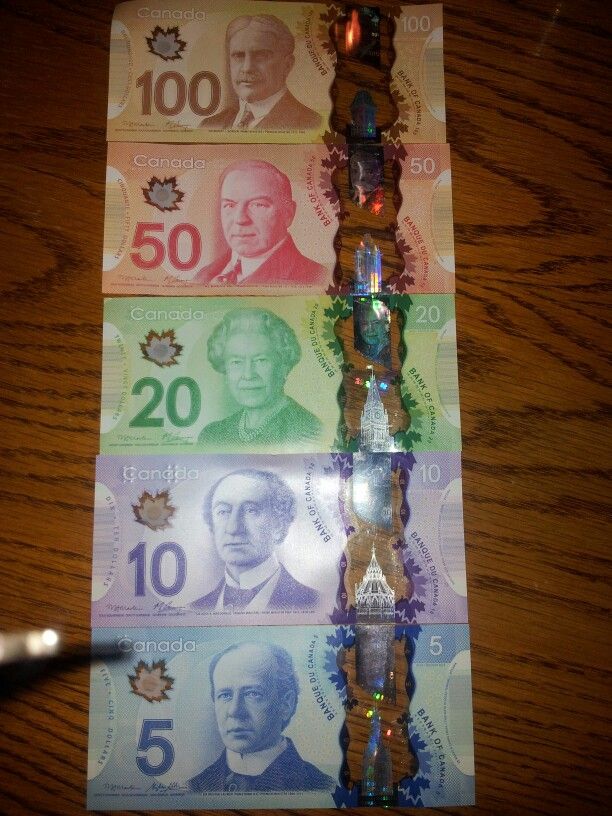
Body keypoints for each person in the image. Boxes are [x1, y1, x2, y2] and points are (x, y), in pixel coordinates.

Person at [188, 642, 336, 792]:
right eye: (225, 695)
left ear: (286, 704)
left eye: (252, 693)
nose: (234, 711)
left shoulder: (322, 788)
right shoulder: (193, 787)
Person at [191, 469, 319, 611]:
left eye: (251, 510)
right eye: (223, 511)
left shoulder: (316, 603)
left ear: (279, 525)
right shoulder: (194, 609)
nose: (233, 528)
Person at [197, 307, 322, 447]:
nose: (248, 375)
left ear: (283, 367)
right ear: (225, 370)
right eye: (236, 362)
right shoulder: (213, 435)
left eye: (261, 360)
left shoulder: (309, 431)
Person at [195, 160, 327, 287]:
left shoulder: (318, 279)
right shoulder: (203, 276)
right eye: (230, 205)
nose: (240, 219)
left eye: (258, 205)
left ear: (288, 214)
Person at [202, 14, 322, 131]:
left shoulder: (313, 125)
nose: (247, 68)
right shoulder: (209, 125)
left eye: (261, 55)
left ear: (287, 65)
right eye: (238, 56)